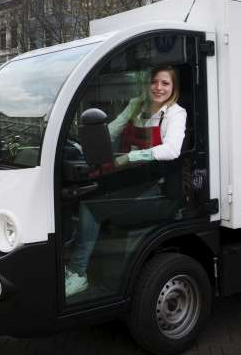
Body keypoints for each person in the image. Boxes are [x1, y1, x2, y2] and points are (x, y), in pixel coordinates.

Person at [64, 65, 187, 297]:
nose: (158, 87)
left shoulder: (175, 113)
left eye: (165, 83)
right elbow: (111, 131)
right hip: (130, 179)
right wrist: (88, 144)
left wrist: (130, 157)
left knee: (91, 208)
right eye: (154, 82)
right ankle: (78, 258)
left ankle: (78, 273)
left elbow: (172, 150)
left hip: (157, 189)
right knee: (83, 193)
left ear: (174, 87)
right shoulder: (135, 105)